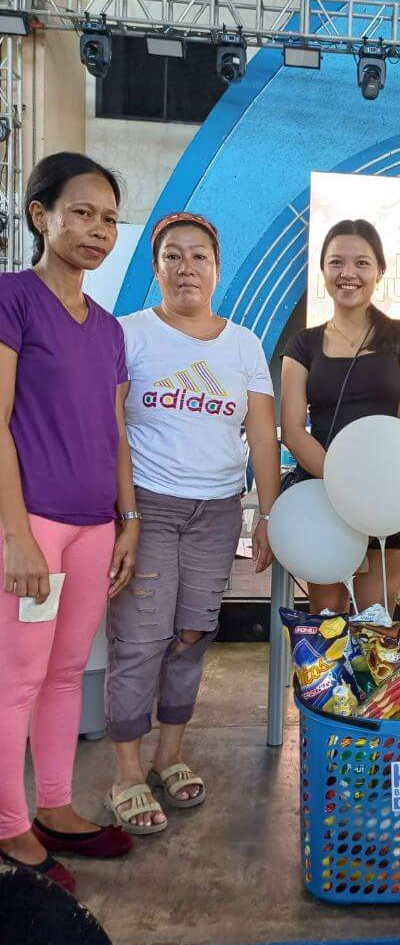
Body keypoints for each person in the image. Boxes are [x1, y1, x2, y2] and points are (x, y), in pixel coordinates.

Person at [105, 212, 280, 833]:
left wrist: (269, 513)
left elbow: (262, 434)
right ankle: (126, 773)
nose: (186, 268)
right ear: (155, 269)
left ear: (216, 267)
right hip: (148, 506)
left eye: (198, 256)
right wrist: (125, 514)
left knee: (191, 635)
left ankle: (168, 757)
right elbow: (113, 428)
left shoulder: (245, 344)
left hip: (217, 511)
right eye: (172, 256)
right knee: (141, 640)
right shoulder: (127, 335)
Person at [0, 153, 137, 893]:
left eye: (109, 218)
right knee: (15, 680)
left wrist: (130, 519)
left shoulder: (110, 329)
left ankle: (53, 804)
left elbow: (115, 434)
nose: (96, 229)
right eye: (80, 212)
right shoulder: (12, 299)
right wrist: (16, 532)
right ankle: (9, 824)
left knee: (64, 672)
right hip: (35, 525)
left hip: (94, 528)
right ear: (39, 216)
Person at [280, 219, 400, 614]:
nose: (348, 273)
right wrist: (343, 484)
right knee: (326, 623)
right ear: (323, 271)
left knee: (375, 625)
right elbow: (293, 429)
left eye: (361, 263)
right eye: (336, 262)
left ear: (380, 269)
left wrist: (368, 493)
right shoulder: (303, 344)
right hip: (322, 492)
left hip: (385, 497)